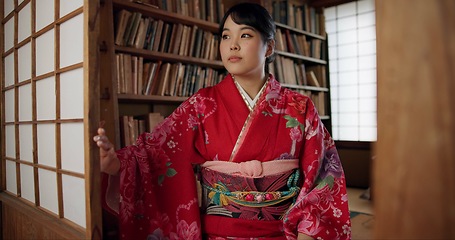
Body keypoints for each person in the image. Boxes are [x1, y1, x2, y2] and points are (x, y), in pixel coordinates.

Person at [94, 3, 351, 239]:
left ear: (269, 47)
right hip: (218, 233)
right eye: (226, 36)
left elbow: (324, 176)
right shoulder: (201, 105)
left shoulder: (301, 107)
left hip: (284, 232)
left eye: (246, 35)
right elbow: (155, 153)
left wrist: (308, 232)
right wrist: (117, 163)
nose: (232, 45)